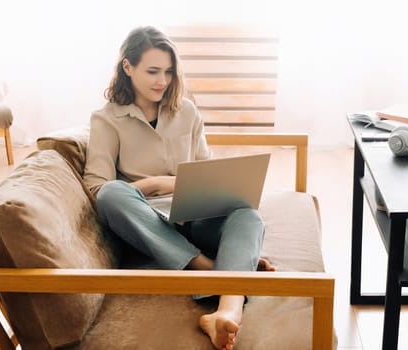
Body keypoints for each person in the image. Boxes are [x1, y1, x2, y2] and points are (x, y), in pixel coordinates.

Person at [83, 26, 274, 350]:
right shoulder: (107, 119)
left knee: (248, 215)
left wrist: (208, 186)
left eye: (168, 72)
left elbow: (206, 170)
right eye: (153, 71)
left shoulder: (187, 111)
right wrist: (155, 183)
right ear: (127, 67)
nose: (162, 80)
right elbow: (98, 187)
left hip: (196, 213)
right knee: (115, 195)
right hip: (147, 221)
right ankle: (211, 267)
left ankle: (225, 313)